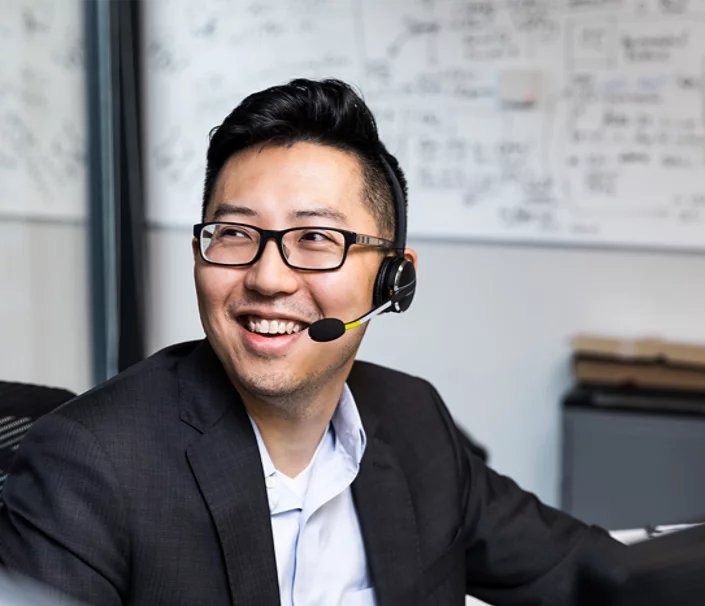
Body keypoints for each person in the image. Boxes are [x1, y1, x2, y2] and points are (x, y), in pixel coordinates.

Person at [0, 78, 622, 605]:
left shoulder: (413, 421)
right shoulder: (89, 465)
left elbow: (591, 573)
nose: (267, 278)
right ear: (199, 256)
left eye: (316, 239)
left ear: (393, 277)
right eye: (235, 234)